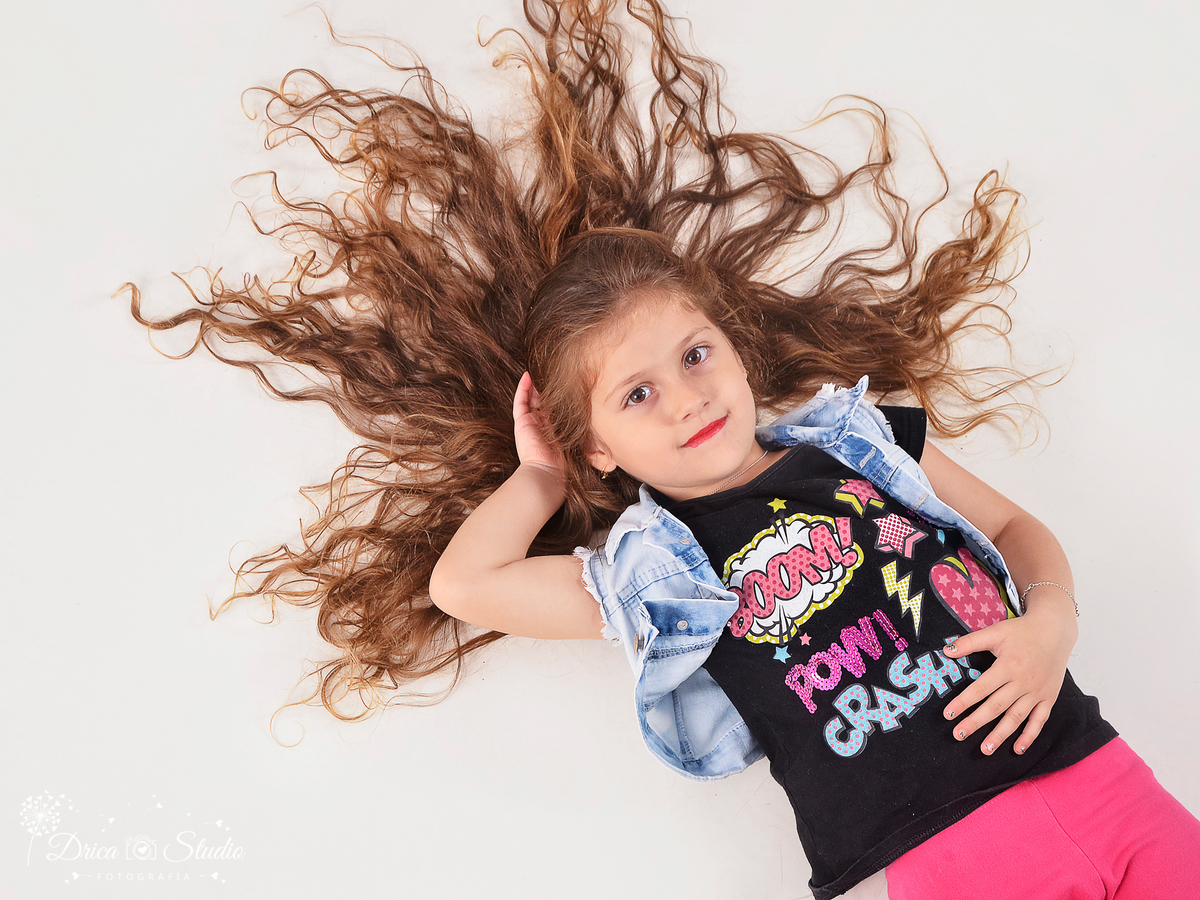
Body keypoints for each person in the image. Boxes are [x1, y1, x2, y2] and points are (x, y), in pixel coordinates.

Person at [126, 0, 1200, 896]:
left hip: (1096, 770)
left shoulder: (862, 441)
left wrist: (1050, 620)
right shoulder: (657, 572)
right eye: (637, 394)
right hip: (944, 854)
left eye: (695, 354)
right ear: (597, 441)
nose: (687, 397)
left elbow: (1012, 528)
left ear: (731, 344)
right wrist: (540, 476)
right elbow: (465, 583)